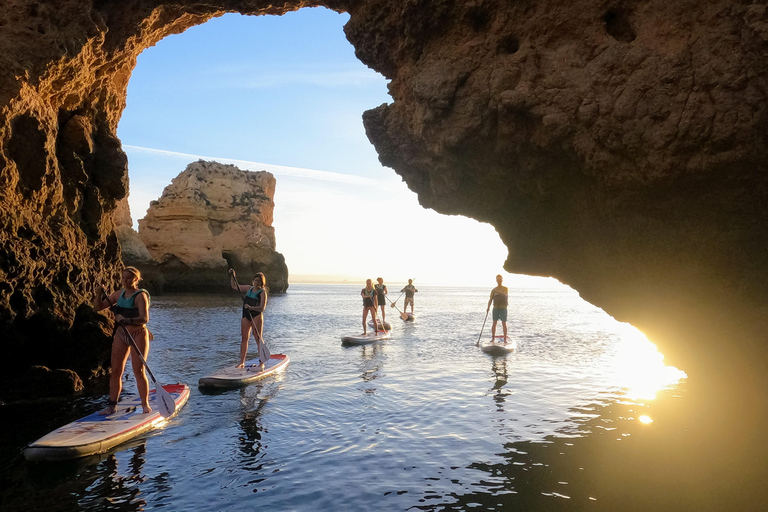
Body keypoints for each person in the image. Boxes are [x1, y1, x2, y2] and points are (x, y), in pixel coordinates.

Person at [94, 266, 152, 415]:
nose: (125, 281)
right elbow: (98, 308)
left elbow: (144, 318)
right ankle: (112, 406)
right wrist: (99, 294)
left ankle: (145, 405)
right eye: (123, 278)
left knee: (138, 371)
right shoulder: (118, 294)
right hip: (121, 335)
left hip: (138, 334)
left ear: (136, 279)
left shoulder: (140, 296)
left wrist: (126, 320)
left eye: (129, 278)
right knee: (116, 371)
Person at [229, 269, 268, 368]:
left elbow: (262, 308)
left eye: (259, 281)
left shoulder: (262, 292)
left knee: (258, 338)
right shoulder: (248, 288)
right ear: (253, 280)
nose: (257, 282)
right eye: (256, 280)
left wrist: (251, 308)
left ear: (262, 282)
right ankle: (242, 362)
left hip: (256, 315)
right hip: (246, 315)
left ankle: (261, 363)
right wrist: (233, 276)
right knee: (244, 338)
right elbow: (234, 286)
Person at [487, 274, 509, 343]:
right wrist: (488, 307)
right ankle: (493, 338)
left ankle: (505, 339)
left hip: (503, 308)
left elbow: (505, 294)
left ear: (502, 280)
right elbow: (490, 299)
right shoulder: (493, 290)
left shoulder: (505, 288)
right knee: (494, 323)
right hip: (496, 308)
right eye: (498, 279)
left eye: (500, 279)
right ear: (496, 280)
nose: (499, 281)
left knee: (504, 323)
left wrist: (497, 292)